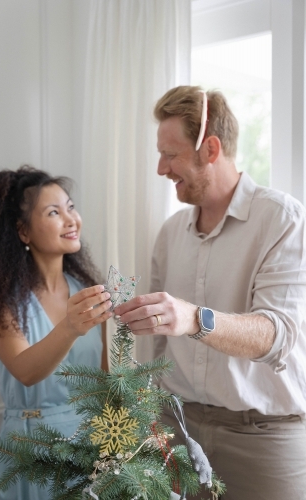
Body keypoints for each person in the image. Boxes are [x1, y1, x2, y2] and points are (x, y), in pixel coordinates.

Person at [114, 86, 306, 499]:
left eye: (170, 154)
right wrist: (149, 413)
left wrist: (193, 317)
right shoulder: (170, 233)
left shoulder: (283, 220)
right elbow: (159, 345)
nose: (161, 168)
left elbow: (277, 336)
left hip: (262, 440)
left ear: (211, 148)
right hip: (176, 426)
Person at [0, 165, 112, 500]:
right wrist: (69, 326)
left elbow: (106, 380)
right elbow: (26, 370)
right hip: (31, 452)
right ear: (24, 232)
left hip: (91, 450)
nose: (70, 219)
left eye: (70, 207)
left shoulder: (88, 291)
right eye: (54, 212)